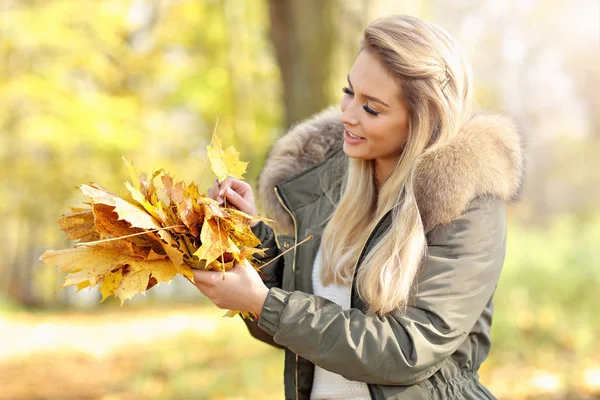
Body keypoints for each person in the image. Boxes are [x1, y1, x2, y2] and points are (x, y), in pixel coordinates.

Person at [193, 14, 525, 400]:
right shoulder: (329, 188)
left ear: (422, 121)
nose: (347, 115)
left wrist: (264, 304)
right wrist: (250, 237)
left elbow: (407, 349)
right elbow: (304, 316)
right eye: (349, 92)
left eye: (372, 108)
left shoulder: (466, 206)